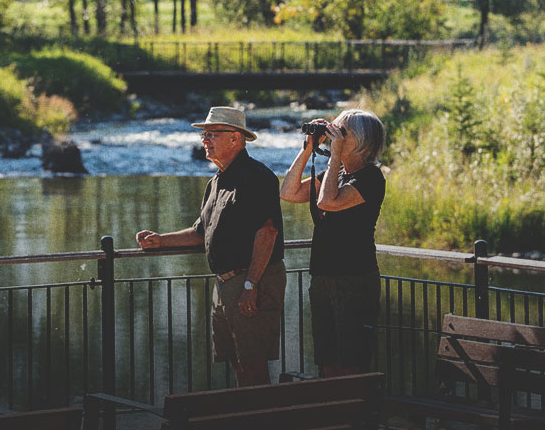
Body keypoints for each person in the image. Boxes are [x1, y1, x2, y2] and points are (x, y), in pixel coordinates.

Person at [136, 106, 286, 387]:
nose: (205, 140)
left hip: (251, 281)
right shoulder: (216, 182)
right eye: (204, 134)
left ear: (236, 139)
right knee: (236, 362)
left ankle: (264, 418)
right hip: (226, 284)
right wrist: (160, 240)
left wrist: (251, 286)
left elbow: (268, 233)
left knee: (252, 364)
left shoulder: (257, 177)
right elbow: (200, 232)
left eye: (213, 134)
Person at [280, 108, 385, 377]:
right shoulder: (334, 175)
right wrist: (307, 150)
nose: (332, 135)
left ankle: (358, 415)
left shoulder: (371, 178)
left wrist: (334, 155)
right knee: (327, 357)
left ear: (360, 140)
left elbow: (327, 202)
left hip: (354, 276)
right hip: (324, 275)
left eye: (340, 131)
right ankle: (334, 412)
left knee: (351, 359)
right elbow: (288, 193)